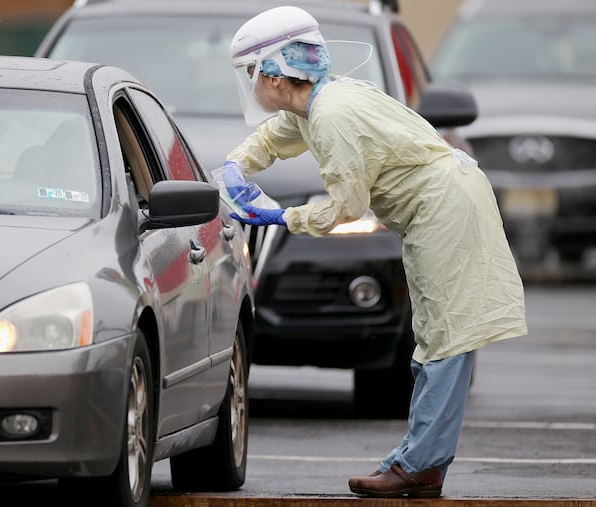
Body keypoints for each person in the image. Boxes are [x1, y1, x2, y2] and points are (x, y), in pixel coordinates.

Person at [222, 5, 528, 499]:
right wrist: (236, 165)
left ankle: (420, 466)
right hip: (441, 203)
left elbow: (347, 205)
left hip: (443, 209)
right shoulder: (319, 100)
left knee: (445, 341)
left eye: (250, 73)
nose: (251, 85)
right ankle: (419, 459)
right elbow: (278, 136)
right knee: (436, 336)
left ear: (274, 74)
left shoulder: (332, 115)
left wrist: (284, 217)